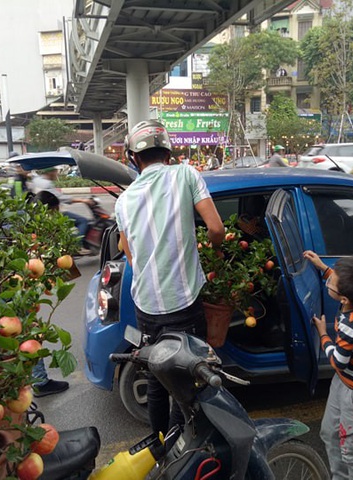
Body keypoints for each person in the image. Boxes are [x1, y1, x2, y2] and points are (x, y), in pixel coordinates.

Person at [116, 120, 224, 441]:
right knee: (184, 377)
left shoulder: (124, 201)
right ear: (168, 152)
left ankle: (157, 444)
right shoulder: (186, 174)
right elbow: (216, 230)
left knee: (155, 375)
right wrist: (212, 250)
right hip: (183, 301)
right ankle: (179, 445)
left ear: (134, 158)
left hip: (146, 305)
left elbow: (129, 254)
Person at [303, 251, 353, 480]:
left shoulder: (350, 326)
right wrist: (322, 267)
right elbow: (342, 285)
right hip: (346, 383)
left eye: (331, 280)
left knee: (352, 451)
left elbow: (339, 361)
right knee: (329, 433)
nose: (329, 280)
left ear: (344, 299)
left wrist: (323, 334)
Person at [27, 189, 71, 397]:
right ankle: (40, 382)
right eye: (56, 212)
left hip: (12, 290)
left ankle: (31, 379)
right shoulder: (36, 232)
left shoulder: (26, 225)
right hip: (16, 293)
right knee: (31, 334)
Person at [30, 166, 92, 255]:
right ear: (50, 172)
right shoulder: (46, 184)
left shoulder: (37, 181)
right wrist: (82, 200)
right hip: (54, 212)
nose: (57, 174)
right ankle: (78, 246)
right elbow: (60, 198)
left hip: (43, 213)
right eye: (56, 171)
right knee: (83, 221)